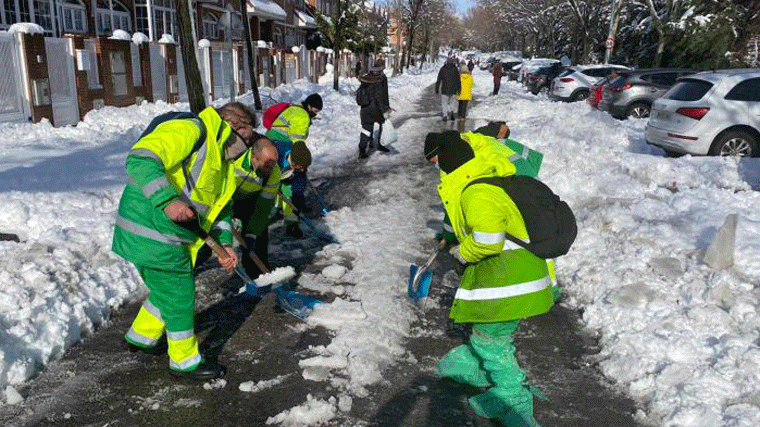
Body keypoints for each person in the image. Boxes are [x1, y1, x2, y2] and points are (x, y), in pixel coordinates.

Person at [113, 102, 257, 381]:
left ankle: (141, 336)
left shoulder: (223, 163)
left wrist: (225, 244)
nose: (247, 147)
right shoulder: (192, 130)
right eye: (247, 139)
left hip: (171, 238)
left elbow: (221, 211)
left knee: (167, 288)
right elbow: (141, 158)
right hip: (151, 230)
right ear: (234, 126)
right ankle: (184, 361)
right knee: (179, 294)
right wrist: (168, 200)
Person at [424, 132, 553, 427]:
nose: (435, 166)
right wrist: (449, 234)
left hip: (508, 277)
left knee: (490, 341)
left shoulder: (476, 190)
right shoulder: (482, 180)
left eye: (435, 160)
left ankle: (513, 396)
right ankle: (485, 371)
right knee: (492, 334)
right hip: (515, 274)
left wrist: (461, 252)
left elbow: (487, 240)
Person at [265, 94, 321, 237]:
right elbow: (298, 143)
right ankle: (292, 223)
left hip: (268, 145)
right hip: (283, 147)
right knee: (292, 182)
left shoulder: (293, 109)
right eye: (315, 109)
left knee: (272, 181)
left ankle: (275, 211)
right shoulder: (302, 116)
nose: (316, 113)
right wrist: (300, 162)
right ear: (309, 106)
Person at [357, 55, 392, 158]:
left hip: (365, 109)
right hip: (376, 109)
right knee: (384, 124)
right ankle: (380, 144)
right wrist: (386, 109)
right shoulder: (380, 79)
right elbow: (381, 96)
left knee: (366, 129)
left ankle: (362, 150)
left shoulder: (366, 78)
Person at [435, 57, 461, 121]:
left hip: (444, 89)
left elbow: (439, 79)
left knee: (444, 103)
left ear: (446, 62)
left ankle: (445, 115)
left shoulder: (443, 69)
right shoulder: (455, 69)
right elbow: (458, 80)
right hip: (453, 89)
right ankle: (451, 112)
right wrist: (459, 88)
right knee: (452, 102)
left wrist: (437, 88)